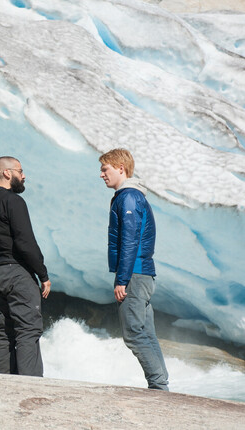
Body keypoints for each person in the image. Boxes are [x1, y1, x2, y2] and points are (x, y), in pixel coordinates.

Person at [99, 148, 169, 391]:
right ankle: (160, 386)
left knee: (134, 335)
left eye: (105, 169)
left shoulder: (128, 197)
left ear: (121, 168)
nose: (101, 174)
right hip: (142, 273)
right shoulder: (132, 196)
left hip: (134, 275)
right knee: (145, 333)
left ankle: (159, 387)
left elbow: (129, 240)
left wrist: (122, 280)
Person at [0, 156, 51, 377]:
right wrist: (43, 275)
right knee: (28, 330)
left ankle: (7, 383)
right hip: (17, 273)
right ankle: (30, 386)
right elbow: (25, 241)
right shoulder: (13, 201)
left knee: (5, 330)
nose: (24, 175)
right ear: (7, 173)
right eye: (20, 170)